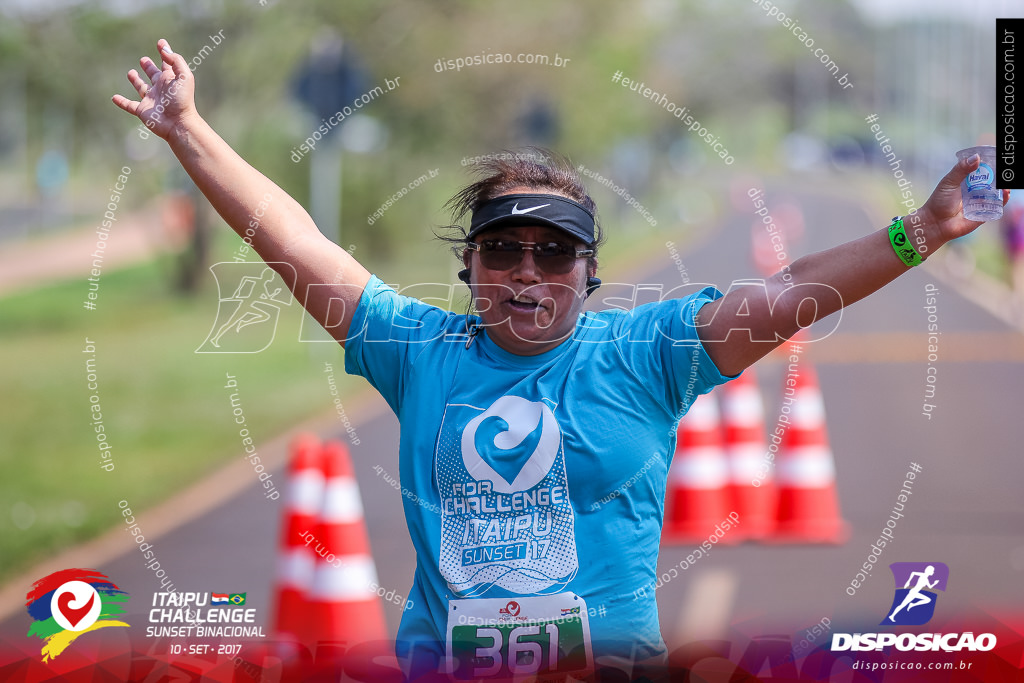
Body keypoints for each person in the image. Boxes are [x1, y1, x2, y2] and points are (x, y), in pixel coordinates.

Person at [113, 40, 1009, 680]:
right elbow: (293, 236)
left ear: (589, 269)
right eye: (504, 253)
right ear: (469, 267)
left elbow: (792, 289)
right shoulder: (416, 350)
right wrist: (186, 128)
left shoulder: (649, 351)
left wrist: (923, 229)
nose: (528, 274)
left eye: (555, 254)